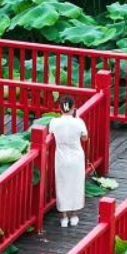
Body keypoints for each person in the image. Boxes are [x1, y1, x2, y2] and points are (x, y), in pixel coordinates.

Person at [48, 95, 88, 228]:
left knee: (62, 185)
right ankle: (74, 215)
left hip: (61, 157)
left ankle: (64, 217)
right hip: (76, 157)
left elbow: (50, 132)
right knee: (76, 185)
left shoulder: (54, 122)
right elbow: (84, 138)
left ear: (60, 108)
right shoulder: (79, 122)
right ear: (73, 108)